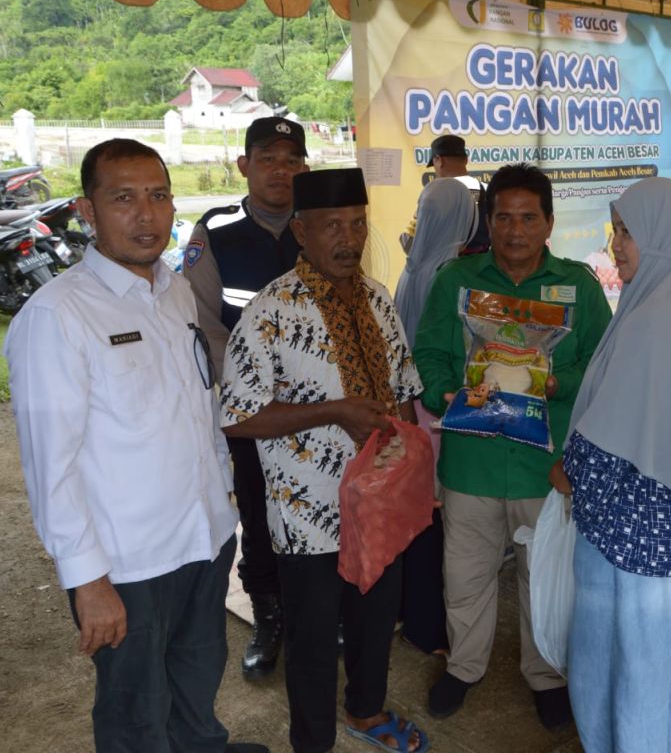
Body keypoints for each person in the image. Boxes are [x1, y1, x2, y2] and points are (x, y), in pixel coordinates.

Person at [4, 139, 266, 753]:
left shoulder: (173, 292)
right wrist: (88, 580)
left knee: (197, 676)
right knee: (134, 709)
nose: (147, 215)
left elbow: (195, 408)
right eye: (123, 198)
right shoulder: (58, 317)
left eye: (158, 195)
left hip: (202, 537)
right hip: (127, 561)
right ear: (87, 211)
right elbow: (52, 466)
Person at [220, 169, 429, 753]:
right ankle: (311, 743)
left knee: (373, 621)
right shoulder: (270, 311)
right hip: (307, 512)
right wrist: (331, 412)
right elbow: (236, 415)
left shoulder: (378, 299)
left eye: (358, 224)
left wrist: (412, 471)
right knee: (312, 640)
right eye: (332, 225)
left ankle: (365, 712)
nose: (348, 238)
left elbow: (405, 391)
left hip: (379, 504)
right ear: (301, 231)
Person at [550, 177, 671, 752]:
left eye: (628, 231)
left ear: (663, 236)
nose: (617, 243)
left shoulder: (656, 320)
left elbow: (611, 435)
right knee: (661, 665)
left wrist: (568, 471)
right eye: (615, 229)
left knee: (624, 667)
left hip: (635, 529)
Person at [413, 163, 612, 728]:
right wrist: (442, 390)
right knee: (466, 573)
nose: (516, 230)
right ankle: (464, 667)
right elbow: (427, 353)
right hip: (471, 462)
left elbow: (604, 366)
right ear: (489, 221)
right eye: (504, 217)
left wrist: (558, 384)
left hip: (545, 467)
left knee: (543, 576)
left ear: (549, 223)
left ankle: (546, 673)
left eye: (529, 218)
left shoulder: (578, 287)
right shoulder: (456, 281)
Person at [184, 116, 309, 677]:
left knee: (319, 510)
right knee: (258, 515)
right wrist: (255, 389)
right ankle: (269, 616)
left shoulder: (322, 224)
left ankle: (317, 614)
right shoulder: (217, 230)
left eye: (291, 160)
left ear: (304, 167)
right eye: (268, 159)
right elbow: (203, 321)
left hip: (316, 410)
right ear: (245, 165)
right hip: (252, 413)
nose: (280, 170)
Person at [392, 177, 479, 655]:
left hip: (412, 412)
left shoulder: (413, 265)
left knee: (418, 522)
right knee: (438, 527)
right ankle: (429, 628)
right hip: (438, 414)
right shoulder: (450, 272)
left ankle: (410, 614)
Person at [400, 134, 490, 256]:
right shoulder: (487, 190)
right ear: (466, 159)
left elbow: (410, 242)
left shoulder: (437, 195)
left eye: (434, 163)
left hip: (448, 270)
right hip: (481, 268)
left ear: (439, 160)